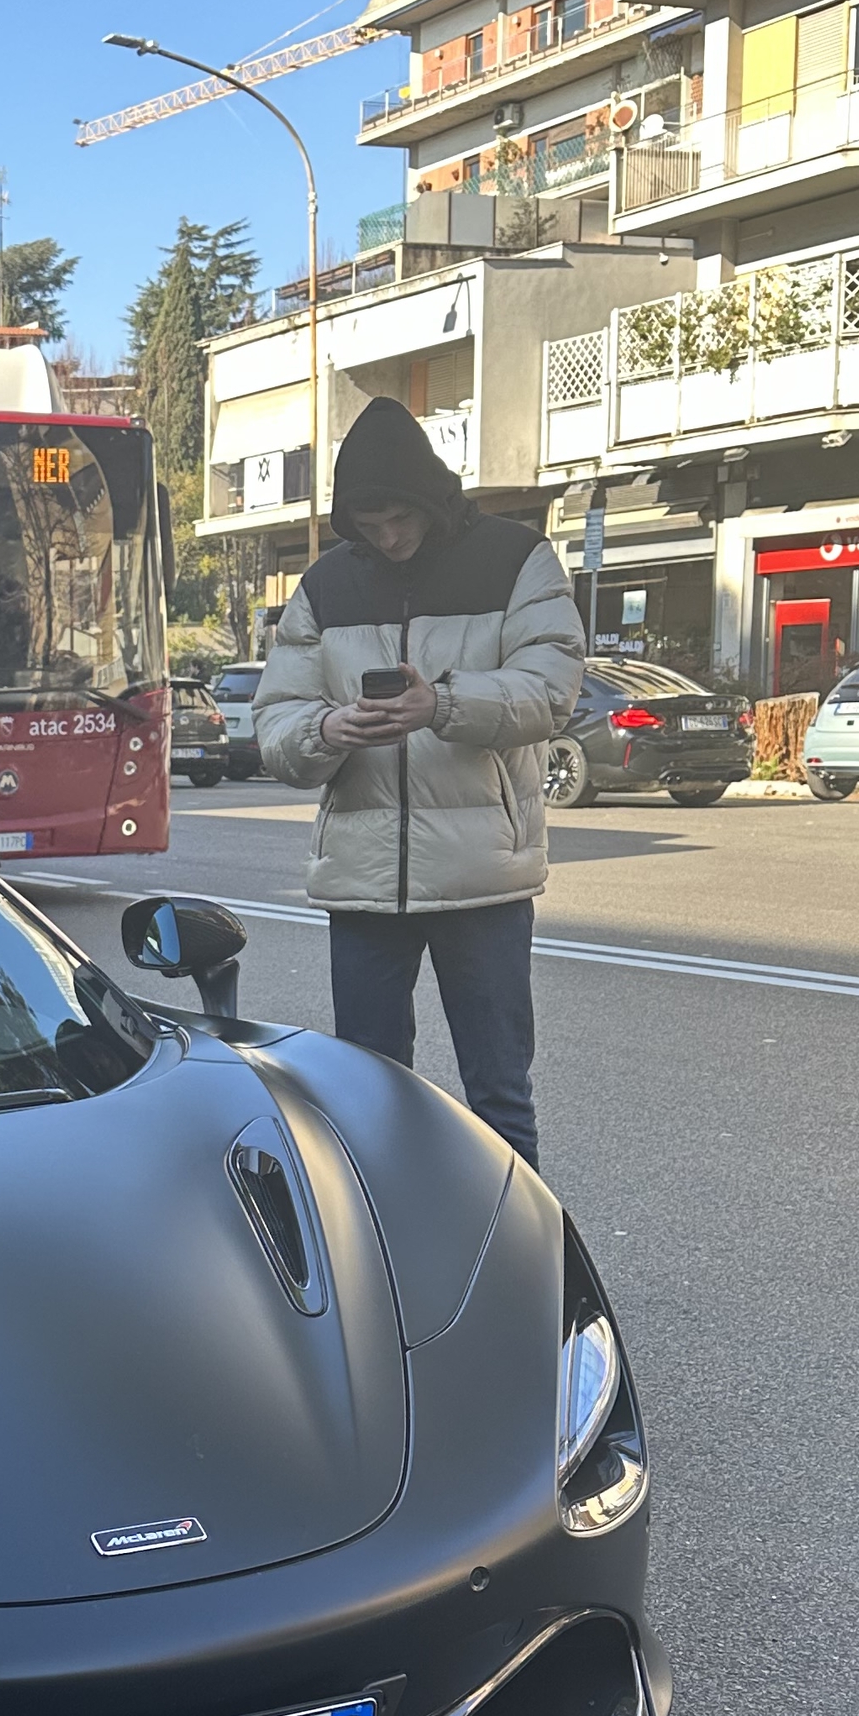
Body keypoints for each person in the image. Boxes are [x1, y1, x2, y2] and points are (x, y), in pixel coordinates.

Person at [254, 398, 584, 1172]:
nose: (389, 537)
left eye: (399, 516)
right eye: (369, 524)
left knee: (499, 1091)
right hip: (364, 884)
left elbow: (553, 688)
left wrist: (442, 702)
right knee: (366, 1092)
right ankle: (387, 1250)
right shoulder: (327, 585)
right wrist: (328, 729)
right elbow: (276, 722)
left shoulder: (516, 560)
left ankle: (514, 1258)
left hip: (482, 880)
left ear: (431, 499)